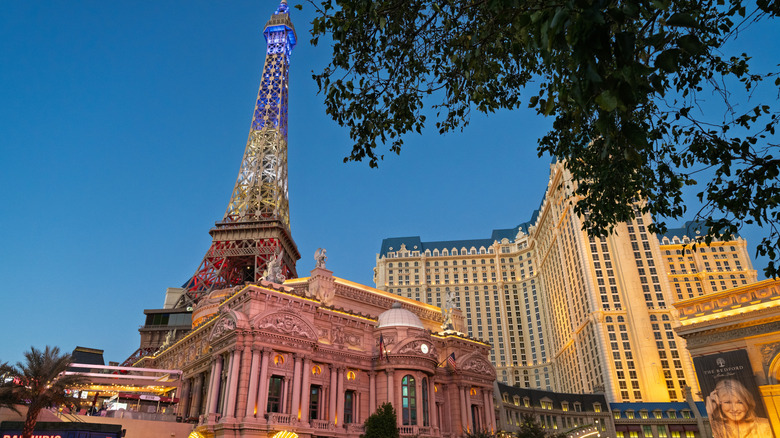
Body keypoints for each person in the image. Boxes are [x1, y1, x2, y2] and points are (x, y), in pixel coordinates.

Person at [706, 378, 774, 438]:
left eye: (739, 402)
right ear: (719, 404)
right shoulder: (716, 427)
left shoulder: (764, 426)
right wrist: (709, 413)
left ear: (747, 402)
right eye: (727, 402)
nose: (734, 409)